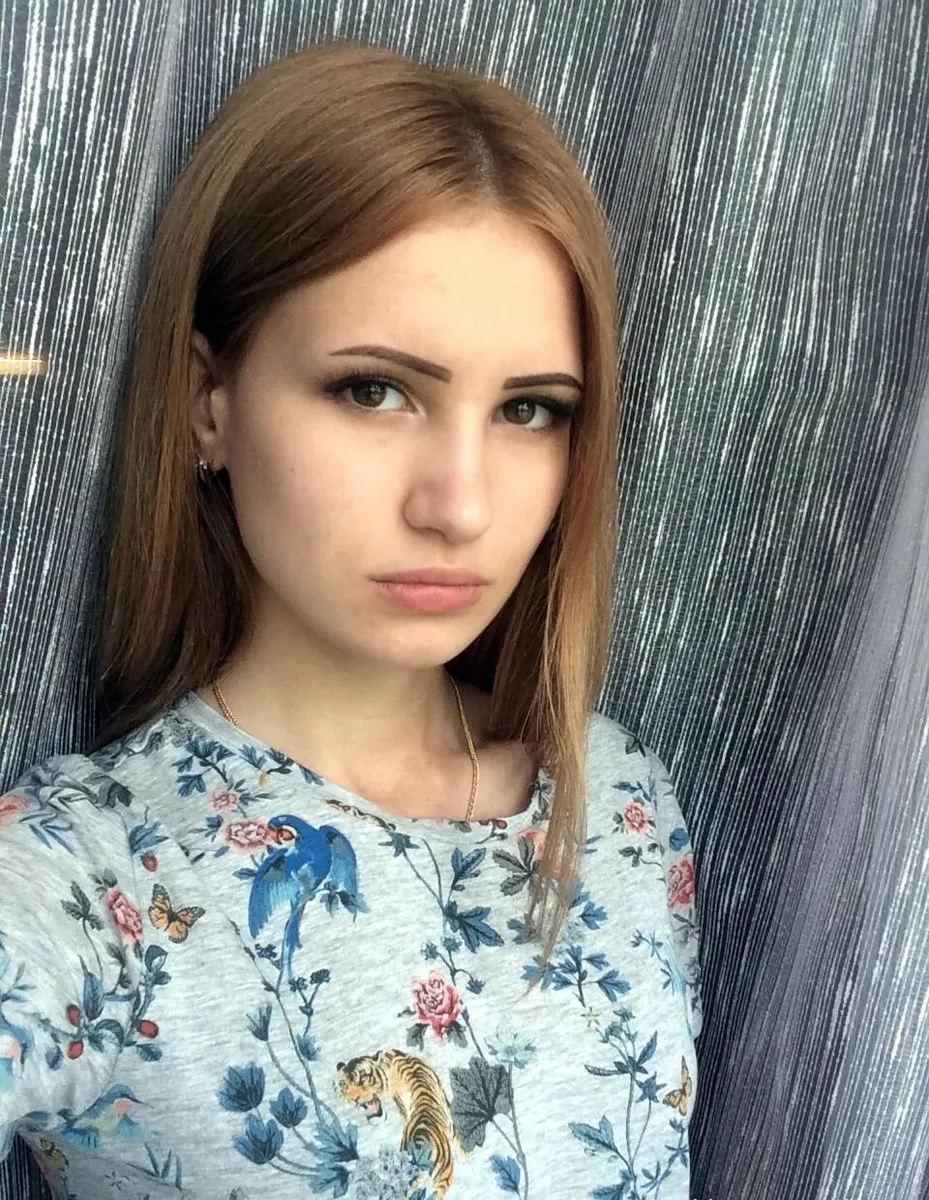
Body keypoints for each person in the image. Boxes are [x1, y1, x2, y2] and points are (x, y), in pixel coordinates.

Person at [0, 37, 702, 1200]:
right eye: (374, 390)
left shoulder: (617, 799)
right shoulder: (88, 879)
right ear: (207, 401)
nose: (459, 505)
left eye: (529, 409)